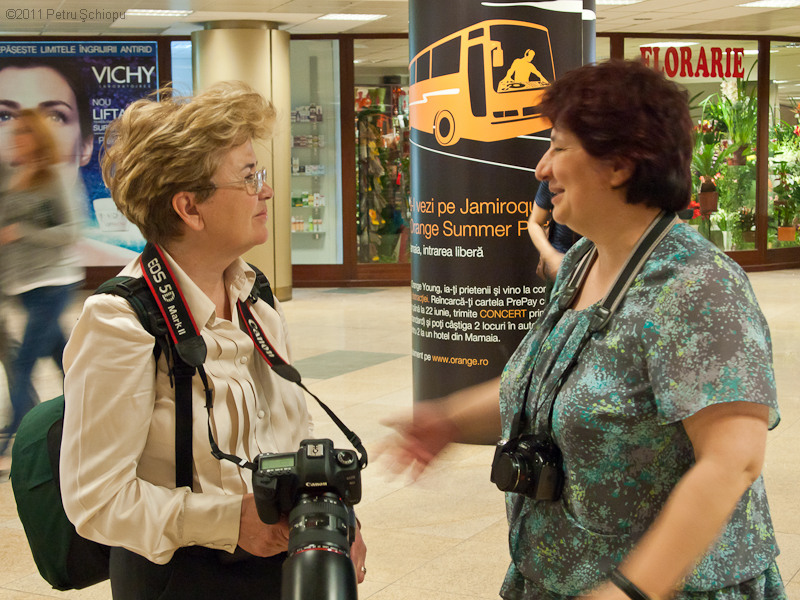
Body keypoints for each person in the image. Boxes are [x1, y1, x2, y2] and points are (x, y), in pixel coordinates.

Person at [386, 59, 784, 600]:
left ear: (619, 165)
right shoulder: (582, 263)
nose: (541, 169)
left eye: (557, 147)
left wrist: (629, 590)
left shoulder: (698, 287)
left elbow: (733, 461)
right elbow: (552, 388)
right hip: (558, 576)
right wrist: (447, 420)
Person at [59, 81, 367, 599]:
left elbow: (290, 430)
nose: (266, 191)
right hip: (182, 578)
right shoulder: (121, 321)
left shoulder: (254, 294)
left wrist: (329, 517)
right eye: (249, 178)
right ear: (190, 208)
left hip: (278, 564)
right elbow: (95, 500)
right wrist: (228, 521)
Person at [0, 109, 84, 468]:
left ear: (38, 137)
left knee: (22, 363)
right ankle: (86, 412)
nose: (15, 138)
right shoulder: (14, 177)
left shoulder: (57, 177)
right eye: (14, 132)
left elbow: (71, 231)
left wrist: (23, 232)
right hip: (22, 285)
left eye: (23, 132)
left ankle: (13, 439)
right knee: (64, 359)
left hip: (53, 282)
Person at [528, 179, 581, 285]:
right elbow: (534, 223)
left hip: (600, 266)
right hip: (562, 270)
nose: (541, 173)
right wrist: (552, 257)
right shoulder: (551, 179)